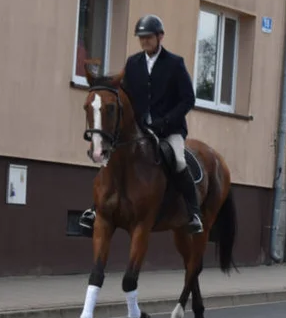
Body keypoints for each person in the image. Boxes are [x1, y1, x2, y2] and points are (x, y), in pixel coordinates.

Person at [78, 14, 202, 235]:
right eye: (141, 38)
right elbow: (125, 94)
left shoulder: (174, 63)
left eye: (149, 37)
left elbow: (187, 100)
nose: (145, 41)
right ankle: (96, 208)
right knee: (111, 157)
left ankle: (193, 213)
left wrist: (164, 121)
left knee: (179, 160)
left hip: (169, 129)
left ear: (160, 37)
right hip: (140, 128)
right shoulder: (133, 63)